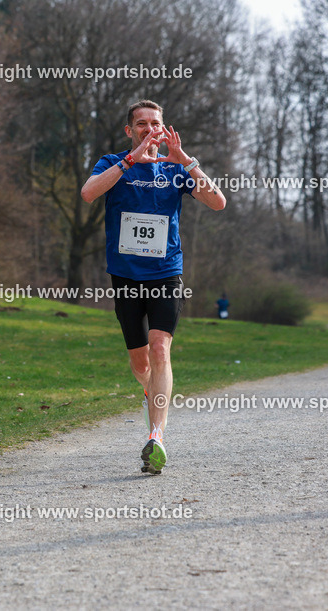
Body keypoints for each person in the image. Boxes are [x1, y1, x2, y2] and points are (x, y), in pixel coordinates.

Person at [80, 99, 226, 475]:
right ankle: (152, 392)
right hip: (126, 277)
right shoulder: (112, 164)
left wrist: (186, 160)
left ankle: (156, 436)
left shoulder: (175, 170)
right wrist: (129, 162)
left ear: (163, 129)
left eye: (154, 124)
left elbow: (218, 201)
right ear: (130, 131)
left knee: (161, 349)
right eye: (140, 124)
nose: (148, 129)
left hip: (165, 273)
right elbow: (88, 193)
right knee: (140, 361)